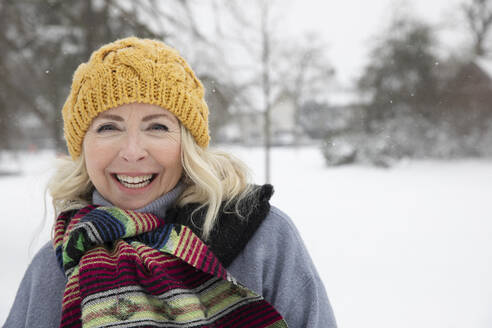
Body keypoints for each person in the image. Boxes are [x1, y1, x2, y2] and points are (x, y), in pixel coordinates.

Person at [4, 37, 337, 328]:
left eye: (158, 127)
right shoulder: (57, 265)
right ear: (82, 147)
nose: (132, 152)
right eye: (108, 127)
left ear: (187, 145)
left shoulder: (263, 239)